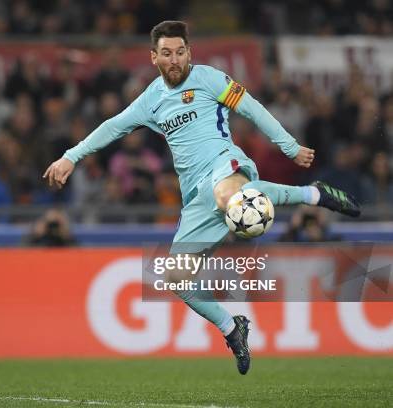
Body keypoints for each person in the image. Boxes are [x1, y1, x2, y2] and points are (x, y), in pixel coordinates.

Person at [43, 20, 361, 375]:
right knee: (176, 278)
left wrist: (289, 146)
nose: (175, 59)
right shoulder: (151, 100)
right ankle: (231, 327)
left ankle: (313, 195)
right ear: (154, 58)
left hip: (224, 164)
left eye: (180, 52)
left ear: (189, 52)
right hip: (194, 194)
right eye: (167, 53)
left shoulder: (209, 78)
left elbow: (252, 108)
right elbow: (112, 126)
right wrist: (71, 156)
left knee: (231, 197)